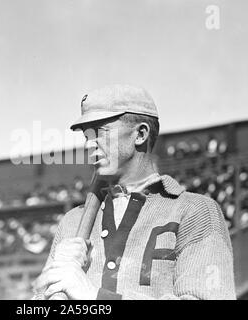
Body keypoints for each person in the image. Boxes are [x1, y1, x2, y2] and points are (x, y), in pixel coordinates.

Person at [33, 84, 236, 300]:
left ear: (140, 134)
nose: (89, 145)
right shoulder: (72, 222)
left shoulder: (196, 211)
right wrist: (47, 290)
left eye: (100, 133)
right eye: (86, 136)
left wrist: (94, 296)